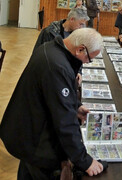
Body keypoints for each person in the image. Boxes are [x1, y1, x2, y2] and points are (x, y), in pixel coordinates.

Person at [0, 28, 104, 179]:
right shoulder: (58, 67)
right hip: (36, 140)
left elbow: (52, 94)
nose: (87, 62)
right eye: (89, 58)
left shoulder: (50, 47)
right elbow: (65, 121)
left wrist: (75, 106)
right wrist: (84, 161)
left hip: (27, 130)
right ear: (80, 49)